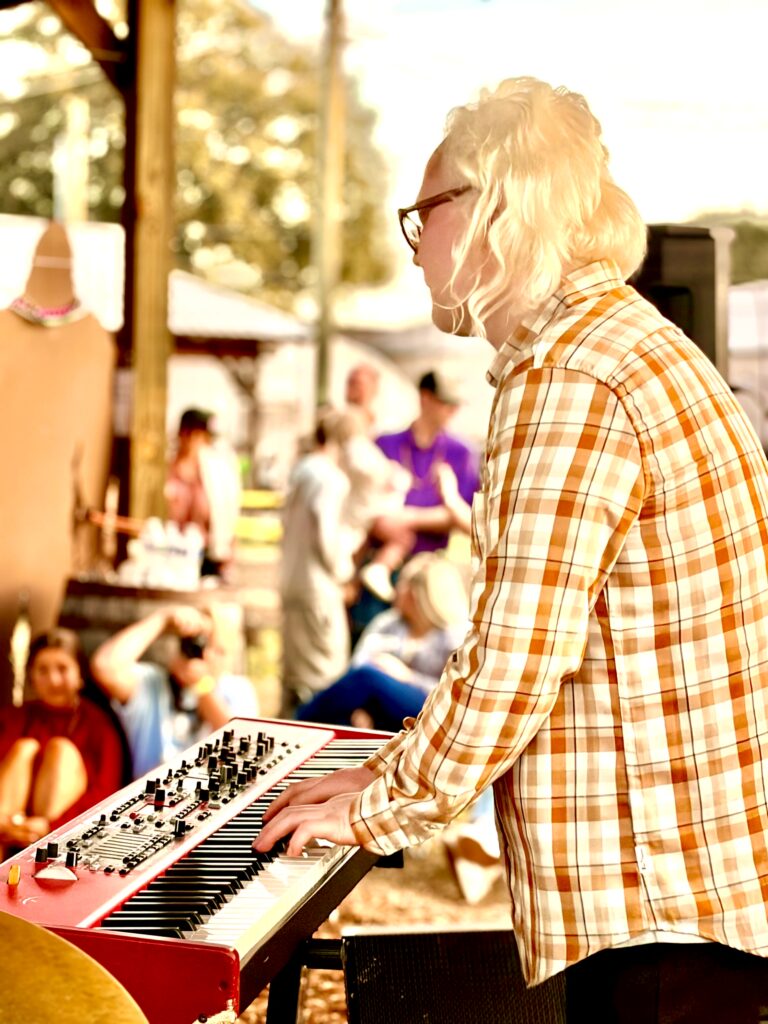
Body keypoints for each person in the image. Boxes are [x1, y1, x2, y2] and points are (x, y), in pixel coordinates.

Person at [255, 76, 768, 1023]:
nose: (416, 248)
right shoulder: (616, 344)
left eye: (424, 217)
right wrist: (386, 772)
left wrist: (380, 805)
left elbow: (518, 654)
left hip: (659, 898)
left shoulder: (571, 372)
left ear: (496, 208)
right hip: (680, 890)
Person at [297, 553, 468, 733]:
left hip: (431, 707)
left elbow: (457, 693)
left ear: (418, 594)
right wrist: (361, 707)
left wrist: (406, 676)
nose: (396, 588)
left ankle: (300, 721)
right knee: (345, 719)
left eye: (402, 583)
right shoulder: (387, 623)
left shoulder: (453, 637)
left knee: (368, 677)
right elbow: (356, 668)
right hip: (383, 711)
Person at [90, 603, 258, 779]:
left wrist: (201, 686)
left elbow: (245, 747)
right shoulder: (152, 684)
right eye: (202, 643)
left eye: (219, 650)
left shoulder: (238, 689)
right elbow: (104, 666)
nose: (206, 655)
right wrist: (162, 619)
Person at [0, 628, 129, 854]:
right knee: (24, 748)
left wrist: (51, 826)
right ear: (31, 676)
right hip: (8, 824)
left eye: (62, 669)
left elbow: (105, 792)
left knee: (61, 750)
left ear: (80, 675)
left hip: (62, 833)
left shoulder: (98, 725)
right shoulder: (12, 717)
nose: (53, 680)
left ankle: (43, 855)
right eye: (42, 670)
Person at [357, 370, 479, 603]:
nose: (453, 411)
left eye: (456, 405)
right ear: (425, 398)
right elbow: (363, 505)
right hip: (377, 563)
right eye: (446, 403)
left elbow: (460, 516)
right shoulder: (385, 444)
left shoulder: (462, 453)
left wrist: (407, 518)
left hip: (429, 569)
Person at [279, 409, 357, 716]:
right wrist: (344, 572)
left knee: (295, 672)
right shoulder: (329, 479)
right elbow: (327, 537)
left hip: (293, 581)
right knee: (324, 675)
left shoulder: (301, 471)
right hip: (318, 589)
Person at [165, 408, 242, 579]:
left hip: (208, 557)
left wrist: (227, 549)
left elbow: (228, 514)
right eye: (196, 435)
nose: (200, 442)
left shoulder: (216, 474)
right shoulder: (169, 471)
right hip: (172, 557)